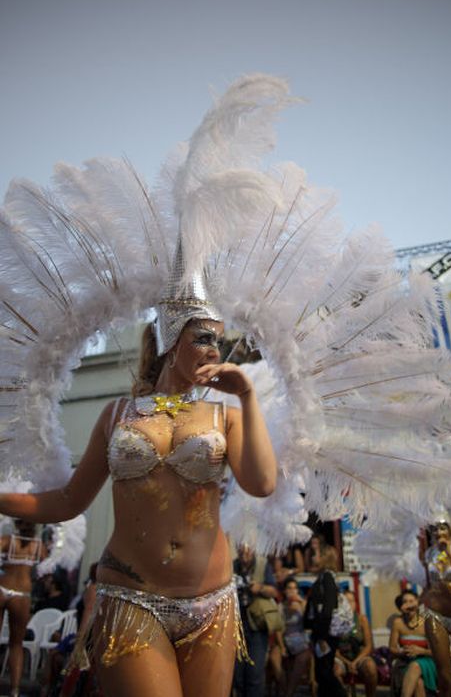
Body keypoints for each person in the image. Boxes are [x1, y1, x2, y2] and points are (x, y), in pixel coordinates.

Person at [0, 289, 278, 697]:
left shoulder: (227, 416)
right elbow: (67, 501)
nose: (213, 349)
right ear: (168, 337)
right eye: (202, 337)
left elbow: (262, 483)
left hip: (212, 603)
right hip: (132, 599)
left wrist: (248, 396)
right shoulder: (117, 414)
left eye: (217, 340)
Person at [0, 518, 46, 697]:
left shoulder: (6, 540)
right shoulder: (38, 547)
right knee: (16, 644)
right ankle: (15, 690)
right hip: (22, 594)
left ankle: (15, 690)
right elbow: (46, 570)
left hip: (2, 588)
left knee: (15, 644)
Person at [421, 521, 451, 696]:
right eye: (434, 529)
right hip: (435, 616)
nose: (438, 532)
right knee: (444, 678)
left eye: (442, 528)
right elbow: (428, 584)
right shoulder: (428, 554)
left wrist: (450, 555)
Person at [233, 544, 278, 697]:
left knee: (255, 673)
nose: (245, 552)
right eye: (241, 549)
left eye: (248, 548)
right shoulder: (232, 566)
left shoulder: (262, 564)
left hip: (257, 624)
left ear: (253, 549)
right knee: (237, 675)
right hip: (236, 624)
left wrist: (260, 588)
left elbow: (274, 591)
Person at [304, 546, 347, 697]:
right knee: (321, 673)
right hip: (321, 632)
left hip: (326, 634)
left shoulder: (327, 577)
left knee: (325, 673)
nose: (312, 558)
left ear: (324, 558)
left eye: (316, 555)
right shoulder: (322, 577)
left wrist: (322, 636)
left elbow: (328, 607)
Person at [269, 576, 312, 697]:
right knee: (274, 657)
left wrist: (301, 607)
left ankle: (289, 692)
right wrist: (282, 647)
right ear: (285, 591)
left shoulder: (304, 603)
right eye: (289, 588)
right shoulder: (281, 606)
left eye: (295, 588)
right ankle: (285, 688)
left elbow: (309, 625)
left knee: (303, 657)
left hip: (300, 639)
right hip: (285, 639)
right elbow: (278, 630)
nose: (292, 591)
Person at [389, 589, 437, 697]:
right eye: (405, 602)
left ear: (418, 602)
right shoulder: (398, 622)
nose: (408, 604)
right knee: (418, 683)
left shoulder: (426, 622)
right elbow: (392, 648)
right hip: (405, 662)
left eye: (411, 601)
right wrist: (402, 652)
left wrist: (421, 651)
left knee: (415, 666)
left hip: (426, 661)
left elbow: (435, 651)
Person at [334, 590, 378, 697]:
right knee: (334, 670)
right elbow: (334, 649)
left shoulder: (362, 619)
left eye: (352, 601)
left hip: (360, 656)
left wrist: (355, 662)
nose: (349, 604)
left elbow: (368, 646)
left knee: (370, 667)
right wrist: (347, 663)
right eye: (346, 601)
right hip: (342, 658)